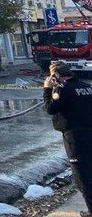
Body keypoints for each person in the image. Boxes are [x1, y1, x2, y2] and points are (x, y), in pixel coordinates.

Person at [43, 61, 92, 216]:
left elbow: (50, 108)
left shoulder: (63, 89)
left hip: (75, 138)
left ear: (57, 75)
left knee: (83, 178)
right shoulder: (85, 86)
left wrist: (47, 89)